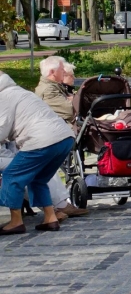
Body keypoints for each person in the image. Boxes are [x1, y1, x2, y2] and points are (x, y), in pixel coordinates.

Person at [0, 72, 76, 234]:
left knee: (12, 176)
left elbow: (1, 130)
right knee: (38, 179)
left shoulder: (4, 97)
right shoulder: (20, 92)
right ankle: (50, 218)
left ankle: (16, 222)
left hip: (42, 140)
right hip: (64, 138)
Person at [32, 57, 88, 218]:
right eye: (62, 71)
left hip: (58, 132)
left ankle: (58, 206)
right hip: (56, 135)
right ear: (52, 72)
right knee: (39, 170)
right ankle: (58, 207)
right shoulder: (48, 90)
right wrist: (73, 101)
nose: (65, 73)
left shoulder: (55, 87)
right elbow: (70, 111)